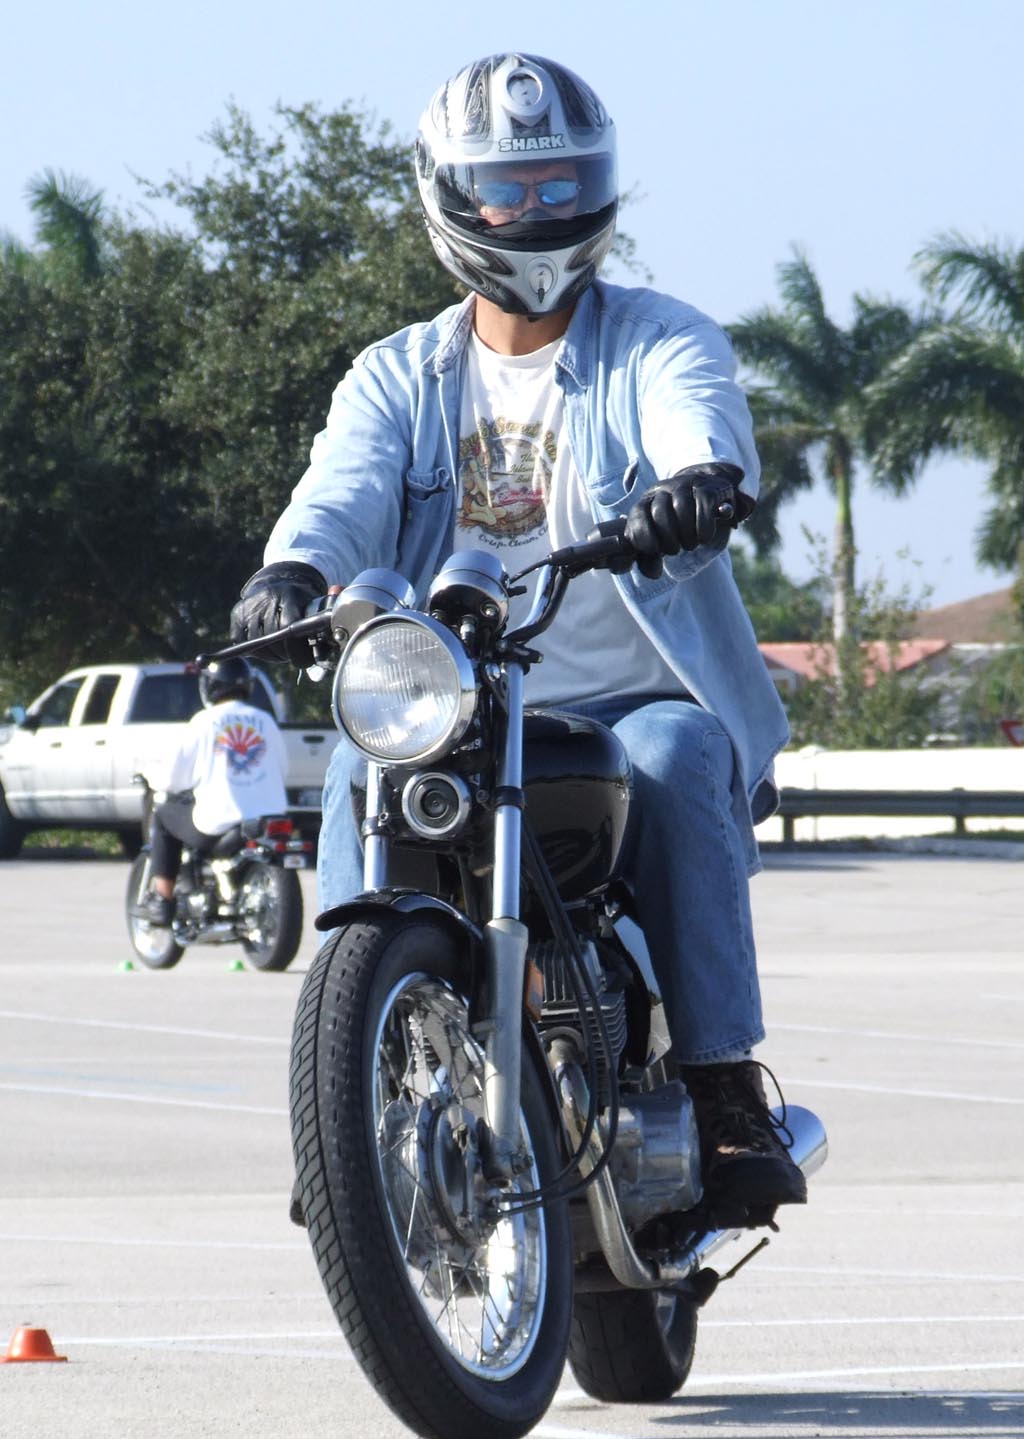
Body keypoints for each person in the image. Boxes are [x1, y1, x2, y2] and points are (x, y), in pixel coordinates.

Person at [230, 53, 804, 1224]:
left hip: (635, 705)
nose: (537, 211)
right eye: (507, 189)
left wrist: (699, 482)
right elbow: (339, 493)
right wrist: (292, 570)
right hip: (453, 702)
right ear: (452, 198)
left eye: (560, 184)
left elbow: (701, 421)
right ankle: (354, 1097)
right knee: (351, 771)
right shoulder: (398, 375)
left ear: (600, 187)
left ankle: (723, 1085)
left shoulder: (660, 339)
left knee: (680, 752)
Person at [131, 658, 289, 927]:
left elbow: (173, 776)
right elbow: (283, 768)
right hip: (268, 819)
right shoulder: (266, 721)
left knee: (164, 816)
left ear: (210, 686)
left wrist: (151, 777)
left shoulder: (204, 722)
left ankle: (162, 899)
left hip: (221, 823)